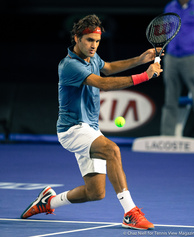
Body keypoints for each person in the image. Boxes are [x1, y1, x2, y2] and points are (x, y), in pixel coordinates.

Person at [21, 14, 163, 230]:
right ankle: (130, 213)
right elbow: (102, 82)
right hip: (72, 130)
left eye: (97, 41)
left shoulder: (92, 57)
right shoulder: (69, 65)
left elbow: (108, 67)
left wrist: (140, 59)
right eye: (89, 40)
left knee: (95, 192)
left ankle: (48, 202)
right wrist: (145, 75)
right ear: (77, 38)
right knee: (112, 150)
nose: (94, 45)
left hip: (90, 129)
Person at [160, 0, 194, 137]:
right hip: (171, 57)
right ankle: (166, 138)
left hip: (193, 57)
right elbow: (166, 30)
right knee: (170, 100)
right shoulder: (170, 7)